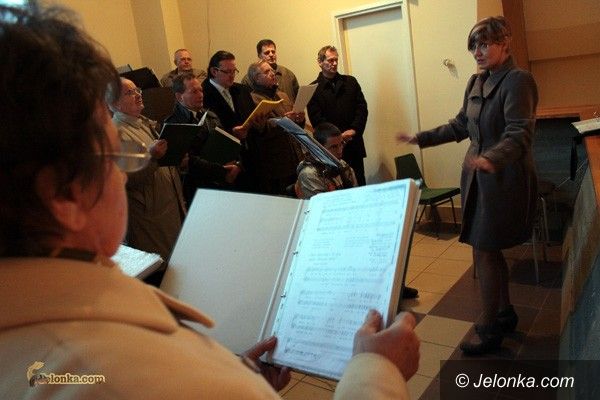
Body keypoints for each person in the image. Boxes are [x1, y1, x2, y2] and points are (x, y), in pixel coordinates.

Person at [0, 5, 420, 398]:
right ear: (65, 195)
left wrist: (240, 377)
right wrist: (376, 368)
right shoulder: (135, 369)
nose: (121, 175)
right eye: (116, 157)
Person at [397, 16, 538, 355]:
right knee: (486, 248)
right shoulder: (476, 81)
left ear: (505, 43)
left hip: (503, 179)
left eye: (484, 44)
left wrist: (492, 158)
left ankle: (489, 329)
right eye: (474, 46)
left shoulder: (518, 80)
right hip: (477, 178)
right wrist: (421, 138)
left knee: (485, 250)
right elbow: (461, 125)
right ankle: (504, 313)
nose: (477, 51)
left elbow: (520, 133)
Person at [110, 77, 186, 263]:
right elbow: (125, 178)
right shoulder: (116, 133)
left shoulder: (144, 123)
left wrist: (176, 159)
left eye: (137, 90)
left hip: (169, 204)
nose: (138, 95)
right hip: (150, 216)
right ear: (115, 103)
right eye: (130, 93)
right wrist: (152, 157)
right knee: (164, 266)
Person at [164, 72, 241, 205]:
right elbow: (188, 160)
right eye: (194, 91)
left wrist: (237, 165)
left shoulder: (210, 115)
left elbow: (226, 143)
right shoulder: (173, 124)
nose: (200, 95)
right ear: (179, 96)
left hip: (222, 183)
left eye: (201, 90)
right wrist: (221, 171)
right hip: (198, 190)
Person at [307, 45, 368, 186]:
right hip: (331, 149)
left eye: (336, 60)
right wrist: (338, 137)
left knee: (359, 184)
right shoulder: (312, 89)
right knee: (338, 189)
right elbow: (317, 120)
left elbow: (362, 109)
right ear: (320, 62)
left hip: (353, 143)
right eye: (330, 60)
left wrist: (354, 130)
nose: (334, 63)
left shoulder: (351, 82)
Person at [202, 50, 261, 191]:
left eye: (234, 71)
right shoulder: (203, 95)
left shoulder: (242, 90)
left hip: (251, 159)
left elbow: (251, 118)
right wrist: (232, 133)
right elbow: (208, 132)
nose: (232, 75)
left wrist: (260, 123)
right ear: (214, 71)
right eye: (228, 72)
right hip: (226, 164)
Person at [247, 61, 305, 195]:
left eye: (272, 70)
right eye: (267, 72)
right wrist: (285, 121)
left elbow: (296, 125)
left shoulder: (283, 95)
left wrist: (300, 119)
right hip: (276, 164)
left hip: (296, 157)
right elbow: (260, 130)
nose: (272, 73)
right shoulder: (253, 99)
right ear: (256, 78)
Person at [295, 122, 357, 199]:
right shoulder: (309, 174)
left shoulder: (342, 164)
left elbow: (356, 195)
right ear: (319, 149)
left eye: (341, 144)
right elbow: (321, 204)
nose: (340, 151)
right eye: (334, 147)